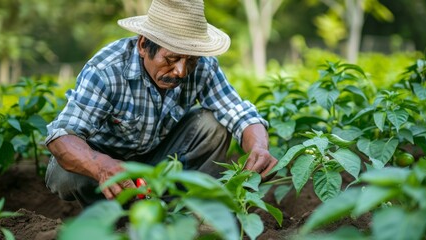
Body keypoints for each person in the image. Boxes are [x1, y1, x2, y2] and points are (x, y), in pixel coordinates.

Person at [45, 0, 278, 207]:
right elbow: (62, 135)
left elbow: (239, 113)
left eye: (191, 60)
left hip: (160, 159)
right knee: (65, 175)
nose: (181, 70)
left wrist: (258, 147)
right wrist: (102, 166)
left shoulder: (203, 66)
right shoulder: (107, 70)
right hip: (106, 161)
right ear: (144, 45)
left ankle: (183, 209)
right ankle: (112, 217)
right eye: (172, 58)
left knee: (212, 125)